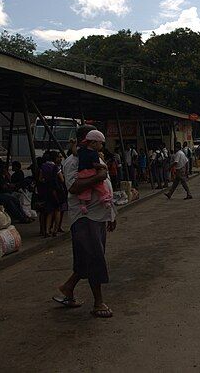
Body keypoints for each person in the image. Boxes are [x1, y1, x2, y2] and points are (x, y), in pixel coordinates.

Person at [54, 124, 117, 319]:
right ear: (87, 140)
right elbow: (73, 187)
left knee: (86, 258)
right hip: (85, 216)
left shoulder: (95, 158)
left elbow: (106, 186)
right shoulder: (73, 162)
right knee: (94, 257)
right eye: (97, 140)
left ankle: (68, 288)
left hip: (99, 215)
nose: (100, 144)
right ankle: (98, 302)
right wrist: (98, 175)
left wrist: (111, 213)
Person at [76, 131, 112, 215]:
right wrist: (103, 166)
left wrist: (73, 145)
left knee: (85, 192)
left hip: (82, 173)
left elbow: (75, 152)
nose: (101, 146)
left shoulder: (81, 151)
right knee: (101, 187)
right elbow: (95, 165)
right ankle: (106, 200)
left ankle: (83, 205)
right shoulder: (94, 153)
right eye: (101, 143)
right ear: (93, 142)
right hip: (91, 173)